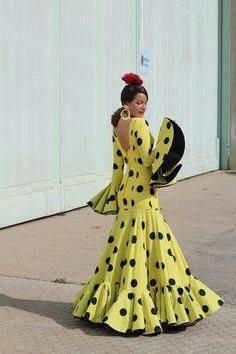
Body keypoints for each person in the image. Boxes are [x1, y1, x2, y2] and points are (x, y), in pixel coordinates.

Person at [72, 72, 224, 336]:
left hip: (126, 194)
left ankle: (112, 304)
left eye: (145, 102)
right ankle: (160, 308)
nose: (143, 107)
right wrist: (165, 167)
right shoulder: (140, 126)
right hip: (143, 194)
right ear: (127, 102)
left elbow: (117, 166)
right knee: (157, 247)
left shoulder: (117, 125)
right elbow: (147, 161)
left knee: (126, 248)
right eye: (139, 102)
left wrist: (115, 192)